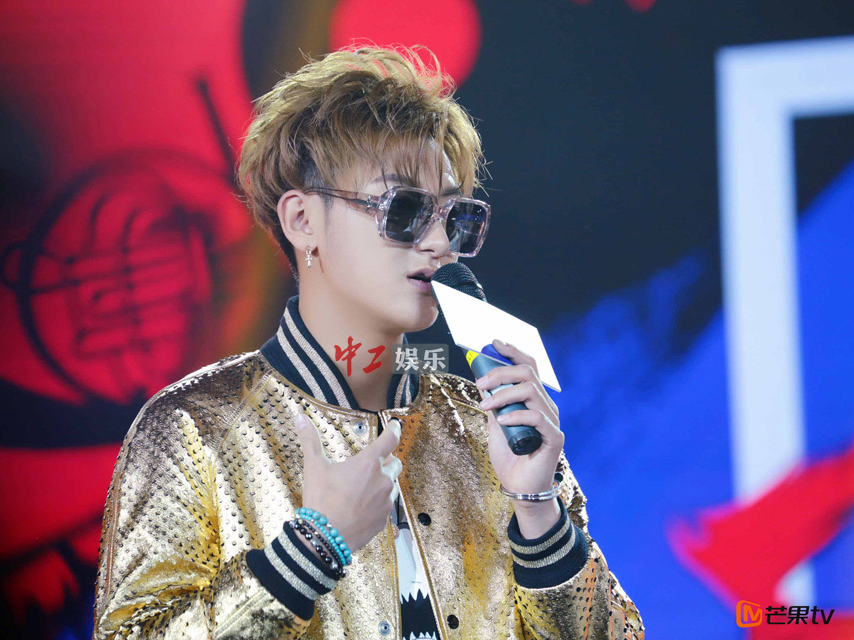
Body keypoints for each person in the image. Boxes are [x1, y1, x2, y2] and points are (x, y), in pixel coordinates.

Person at [92, 45, 644, 639]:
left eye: (455, 217)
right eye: (403, 209)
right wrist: (309, 552)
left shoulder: (488, 425)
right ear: (302, 220)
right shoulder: (194, 427)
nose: (440, 244)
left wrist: (538, 512)